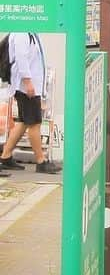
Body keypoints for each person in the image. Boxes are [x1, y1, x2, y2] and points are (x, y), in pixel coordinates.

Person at [0, 32, 60, 174]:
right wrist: (28, 82)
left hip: (30, 86)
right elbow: (21, 59)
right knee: (34, 123)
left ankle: (6, 156)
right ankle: (41, 161)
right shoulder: (22, 33)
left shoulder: (30, 31)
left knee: (24, 121)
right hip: (26, 87)